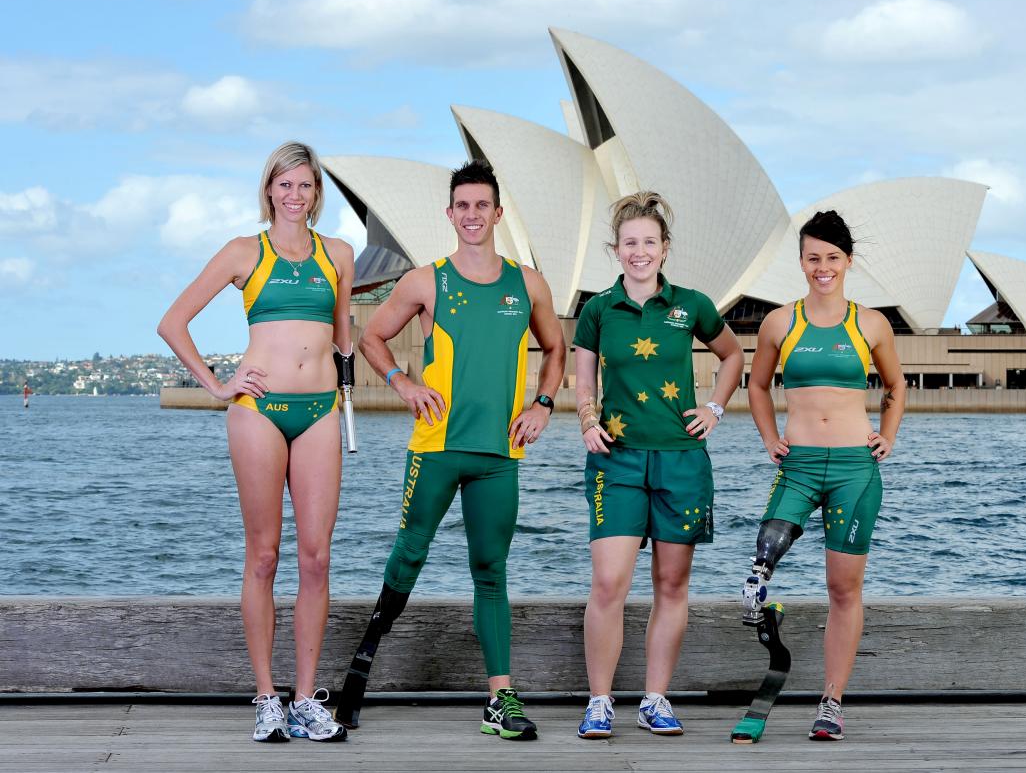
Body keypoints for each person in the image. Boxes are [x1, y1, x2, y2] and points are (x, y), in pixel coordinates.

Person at [338, 160, 566, 741]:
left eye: (481, 205)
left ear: (497, 212)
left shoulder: (528, 282)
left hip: (498, 455)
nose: (471, 215)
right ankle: (362, 663)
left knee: (491, 572)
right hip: (436, 449)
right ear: (450, 213)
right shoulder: (425, 280)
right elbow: (371, 336)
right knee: (409, 554)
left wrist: (542, 403)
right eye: (462, 206)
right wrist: (402, 383)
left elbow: (556, 349)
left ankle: (500, 699)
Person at [157, 141, 354, 743]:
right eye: (285, 184)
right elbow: (173, 321)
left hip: (320, 410)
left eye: (306, 186)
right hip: (257, 411)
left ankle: (305, 699)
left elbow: (343, 336)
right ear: (269, 189)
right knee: (264, 555)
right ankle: (267, 695)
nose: (296, 195)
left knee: (316, 558)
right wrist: (219, 384)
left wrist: (353, 388)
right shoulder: (245, 251)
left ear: (317, 193)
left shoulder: (339, 254)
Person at [573, 192, 743, 739]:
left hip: (682, 462)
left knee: (672, 584)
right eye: (630, 243)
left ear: (664, 249)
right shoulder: (598, 310)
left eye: (649, 242)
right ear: (616, 250)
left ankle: (655, 699)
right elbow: (583, 379)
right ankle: (599, 701)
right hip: (616, 462)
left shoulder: (690, 304)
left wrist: (715, 407)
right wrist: (586, 419)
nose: (639, 252)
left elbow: (734, 355)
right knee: (608, 582)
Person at [741, 210, 905, 742]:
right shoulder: (780, 322)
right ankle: (759, 593)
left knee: (843, 588)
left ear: (848, 261)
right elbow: (759, 386)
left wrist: (889, 434)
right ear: (802, 261)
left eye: (832, 258)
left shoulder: (871, 323)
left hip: (855, 469)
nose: (822, 267)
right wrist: (770, 438)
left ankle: (831, 702)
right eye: (813, 258)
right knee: (765, 553)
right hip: (801, 463)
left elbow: (896, 387)